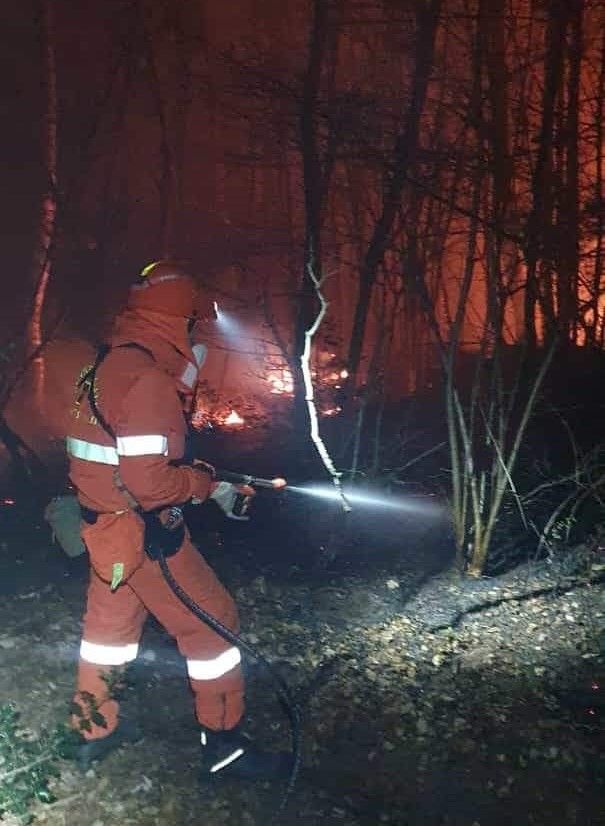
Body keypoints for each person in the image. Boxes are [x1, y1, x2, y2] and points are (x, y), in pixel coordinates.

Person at [65, 260, 287, 778]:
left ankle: (91, 733)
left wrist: (194, 478)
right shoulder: (146, 380)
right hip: (141, 536)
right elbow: (152, 484)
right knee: (214, 625)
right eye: (194, 322)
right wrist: (204, 484)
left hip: (105, 529)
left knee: (108, 634)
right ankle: (226, 747)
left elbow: (115, 456)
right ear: (179, 320)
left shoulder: (107, 362)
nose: (198, 333)